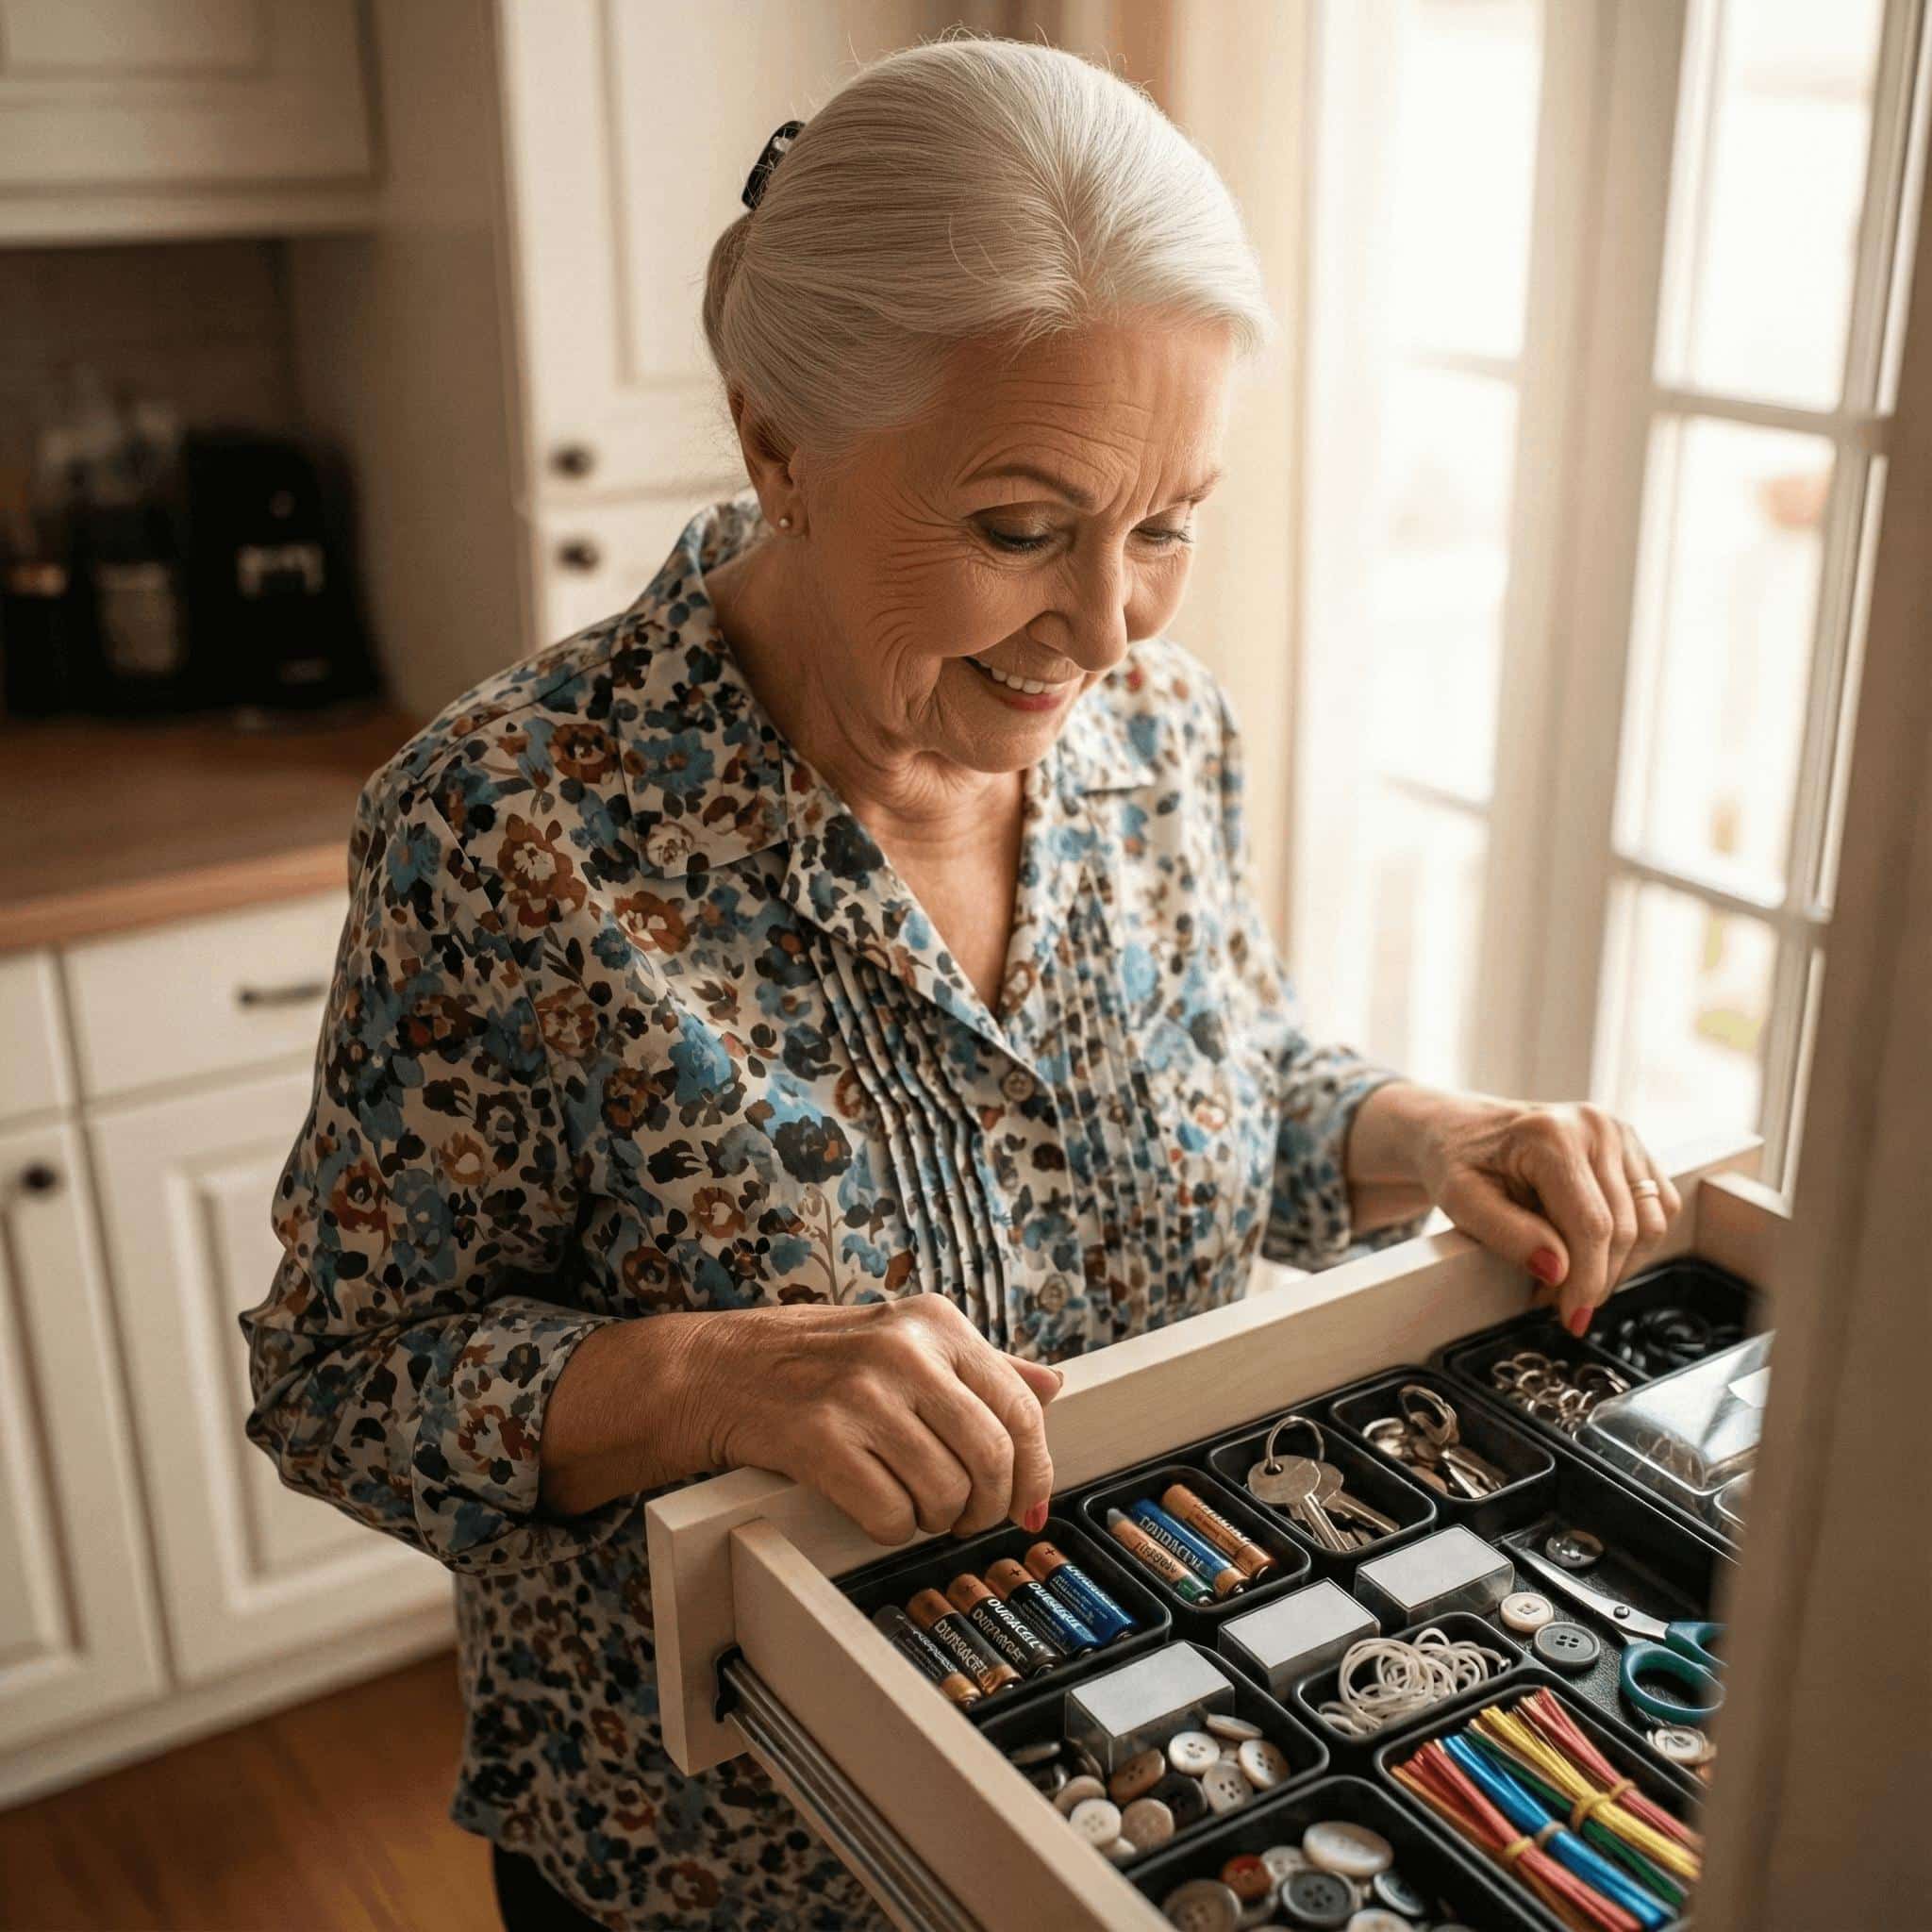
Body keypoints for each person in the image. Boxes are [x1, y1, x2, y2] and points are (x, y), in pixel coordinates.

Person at [240, 34, 1680, 1931]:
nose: (1108, 623)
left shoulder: (1165, 735)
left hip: (1142, 1799)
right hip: (722, 1864)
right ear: (779, 444)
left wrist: (1429, 1131)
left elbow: (1230, 1072)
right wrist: (702, 1374)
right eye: (1023, 528)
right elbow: (345, 1381)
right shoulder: (507, 827)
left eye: (1166, 523)